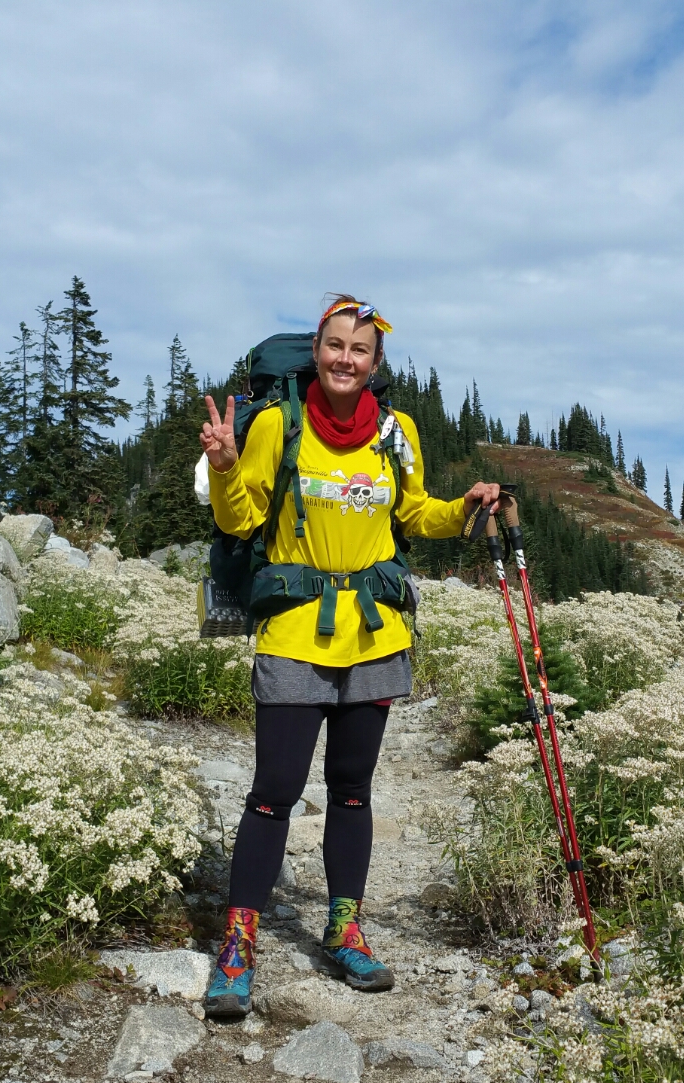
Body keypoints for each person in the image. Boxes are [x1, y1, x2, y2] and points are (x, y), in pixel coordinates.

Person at [198, 295, 499, 1018]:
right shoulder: (276, 425)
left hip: (375, 635)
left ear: (375, 361)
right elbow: (242, 518)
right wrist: (227, 466)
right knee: (274, 790)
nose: (345, 358)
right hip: (294, 634)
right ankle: (238, 945)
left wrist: (463, 509)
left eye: (359, 349)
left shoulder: (397, 431)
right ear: (316, 351)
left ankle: (344, 928)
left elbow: (413, 512)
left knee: (352, 788)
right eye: (335, 345)